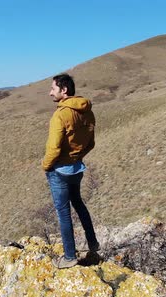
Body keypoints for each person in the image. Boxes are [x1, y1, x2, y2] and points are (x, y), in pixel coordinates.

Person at [43, 73, 100, 269]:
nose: (50, 92)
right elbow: (90, 143)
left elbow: (54, 148)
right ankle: (92, 242)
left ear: (64, 90)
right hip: (77, 168)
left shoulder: (60, 115)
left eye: (53, 89)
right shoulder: (87, 112)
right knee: (78, 203)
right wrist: (77, 156)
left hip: (59, 170)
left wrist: (46, 165)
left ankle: (69, 257)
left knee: (63, 213)